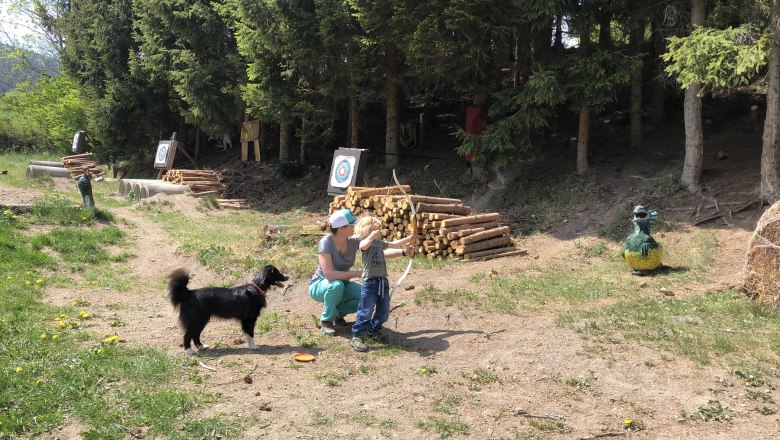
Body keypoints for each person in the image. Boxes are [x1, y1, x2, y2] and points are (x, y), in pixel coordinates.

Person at [349, 215, 417, 352]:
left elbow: (394, 244)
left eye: (378, 230)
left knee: (384, 312)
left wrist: (409, 239)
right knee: (366, 310)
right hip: (370, 282)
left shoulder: (380, 244)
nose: (378, 232)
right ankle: (358, 336)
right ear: (367, 231)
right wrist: (371, 236)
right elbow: (362, 246)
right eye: (375, 229)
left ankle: (372, 330)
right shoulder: (365, 243)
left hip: (382, 282)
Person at [308, 209, 362, 335]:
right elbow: (329, 275)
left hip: (342, 285)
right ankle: (326, 321)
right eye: (352, 224)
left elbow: (379, 249)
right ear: (342, 228)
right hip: (321, 285)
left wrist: (403, 250)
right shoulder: (326, 242)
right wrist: (357, 273)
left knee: (366, 294)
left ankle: (337, 314)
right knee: (336, 285)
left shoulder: (354, 241)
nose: (355, 227)